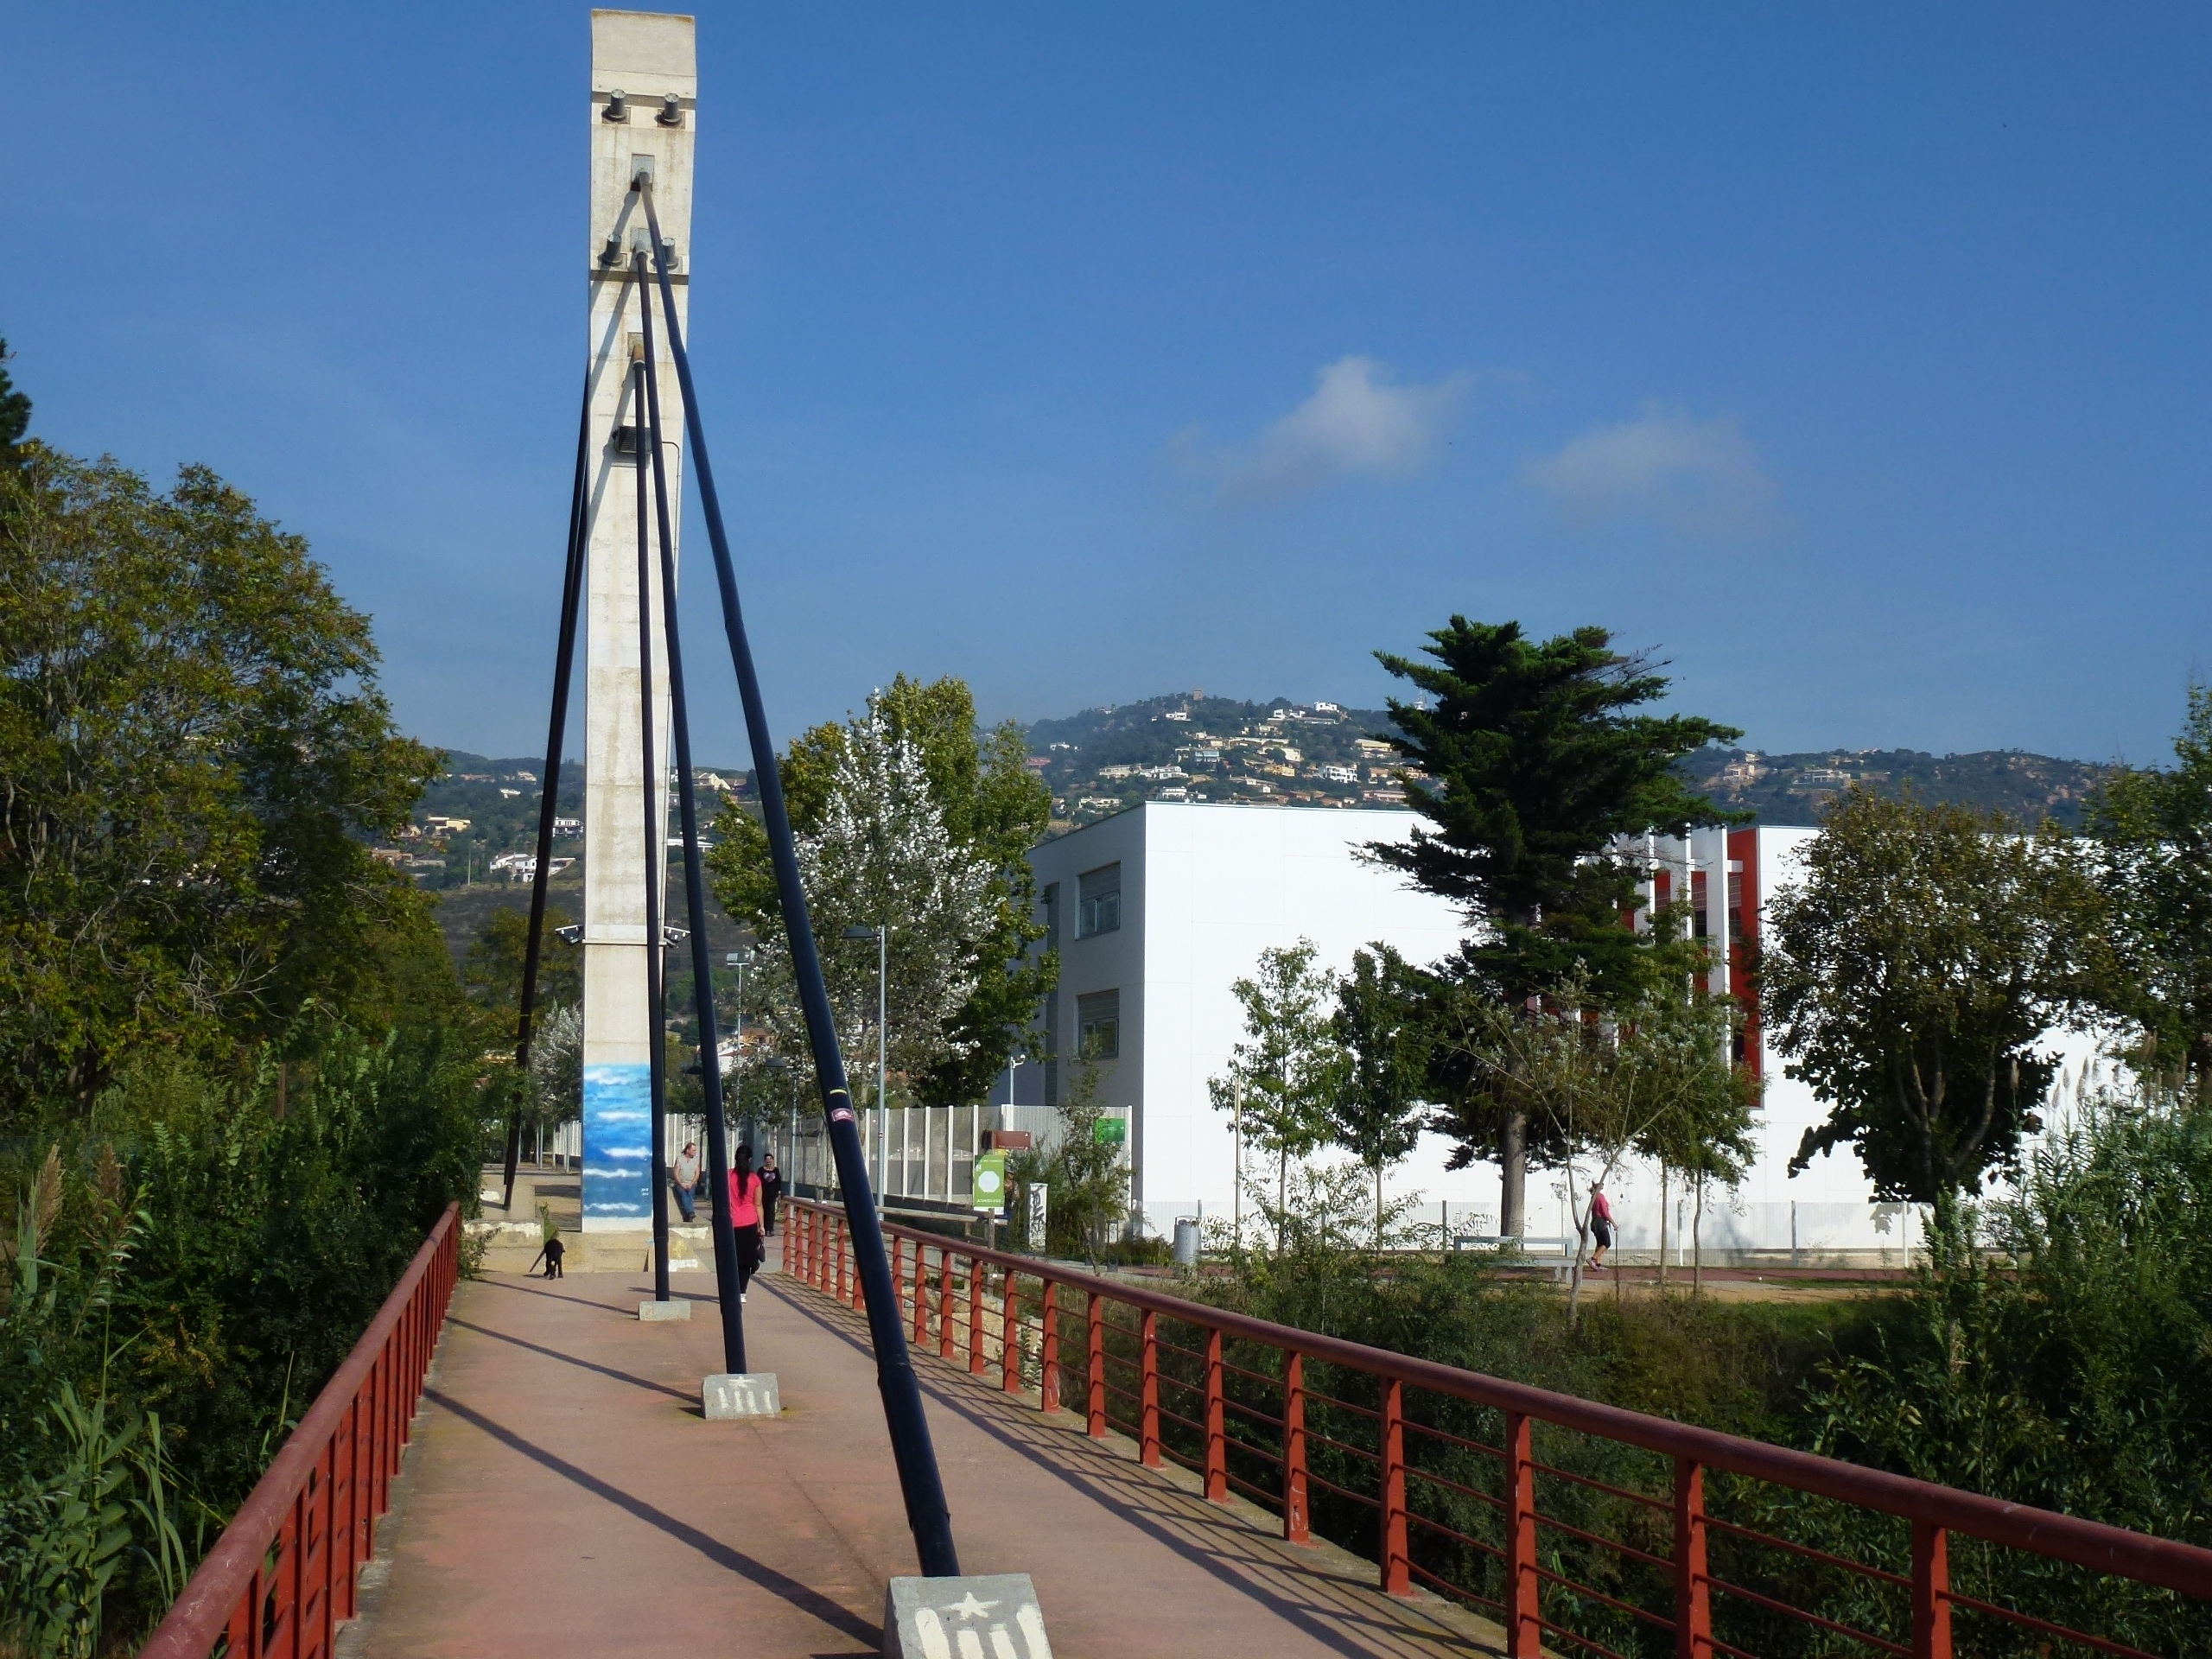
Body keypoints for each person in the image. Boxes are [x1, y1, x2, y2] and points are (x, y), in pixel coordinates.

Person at [728, 1145, 764, 1303]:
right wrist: (761, 1226)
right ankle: (742, 1292)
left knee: (731, 1259)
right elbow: (758, 1204)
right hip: (749, 1223)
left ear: (736, 1158)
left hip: (731, 1223)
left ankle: (730, 1290)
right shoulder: (755, 1179)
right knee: (746, 1261)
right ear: (750, 1160)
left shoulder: (727, 1176)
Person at [671, 1141, 701, 1224]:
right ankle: (690, 1212)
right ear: (688, 1150)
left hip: (692, 1183)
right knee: (684, 1195)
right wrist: (681, 1184)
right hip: (681, 1183)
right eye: (693, 1150)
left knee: (690, 1197)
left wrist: (691, 1184)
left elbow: (697, 1174)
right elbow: (676, 1173)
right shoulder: (680, 1159)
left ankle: (689, 1215)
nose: (695, 1152)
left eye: (695, 1150)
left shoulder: (696, 1160)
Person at [1588, 1184, 1616, 1271]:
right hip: (1600, 1221)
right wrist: (1613, 1223)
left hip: (1595, 1221)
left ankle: (1598, 1264)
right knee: (1606, 1243)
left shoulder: (1594, 1196)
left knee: (1600, 1243)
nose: (1603, 1184)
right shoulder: (1600, 1196)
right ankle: (1593, 1259)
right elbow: (1604, 1212)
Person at [757, 1151, 784, 1237]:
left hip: (772, 1195)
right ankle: (763, 1227)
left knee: (771, 1211)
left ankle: (770, 1229)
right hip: (762, 1194)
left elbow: (778, 1182)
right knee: (763, 1210)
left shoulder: (776, 1170)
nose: (768, 1161)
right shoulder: (761, 1170)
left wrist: (779, 1192)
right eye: (767, 1159)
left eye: (770, 1159)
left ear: (773, 1160)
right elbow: (757, 1182)